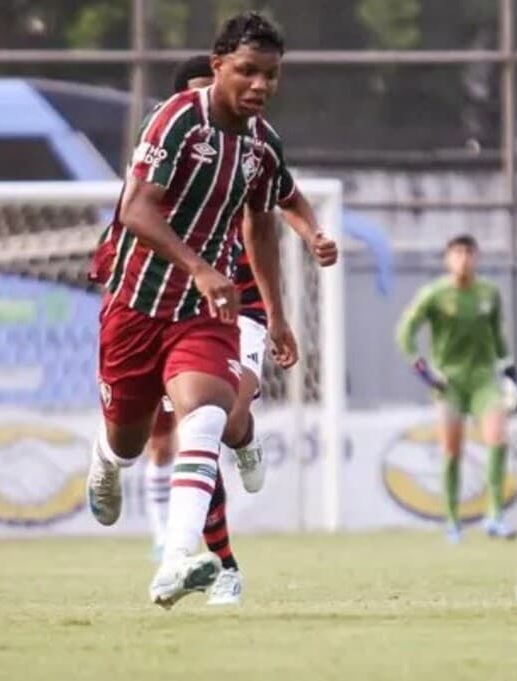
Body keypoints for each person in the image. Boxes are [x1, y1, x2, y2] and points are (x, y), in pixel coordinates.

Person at [89, 12, 310, 609]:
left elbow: (262, 227)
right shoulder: (178, 119)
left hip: (202, 310)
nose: (260, 85)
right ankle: (106, 459)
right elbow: (136, 209)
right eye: (247, 71)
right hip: (136, 305)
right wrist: (201, 266)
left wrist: (279, 313)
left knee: (206, 412)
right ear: (218, 66)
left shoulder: (264, 144)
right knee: (131, 441)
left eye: (270, 75)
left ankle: (179, 556)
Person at [130, 53, 337, 606]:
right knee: (175, 432)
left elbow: (283, 198)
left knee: (221, 419)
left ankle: (243, 442)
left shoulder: (252, 147)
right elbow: (130, 221)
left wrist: (311, 238)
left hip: (236, 307)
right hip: (171, 309)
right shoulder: (169, 154)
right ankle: (219, 564)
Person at [395, 234, 517, 544]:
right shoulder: (435, 294)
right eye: (457, 252)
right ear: (448, 259)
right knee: (452, 450)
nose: (463, 258)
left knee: (498, 437)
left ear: (476, 257)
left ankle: (494, 515)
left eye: (469, 252)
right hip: (448, 381)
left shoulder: (489, 293)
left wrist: (509, 369)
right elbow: (405, 332)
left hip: (483, 379)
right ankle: (452, 520)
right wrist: (421, 368)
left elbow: (499, 337)